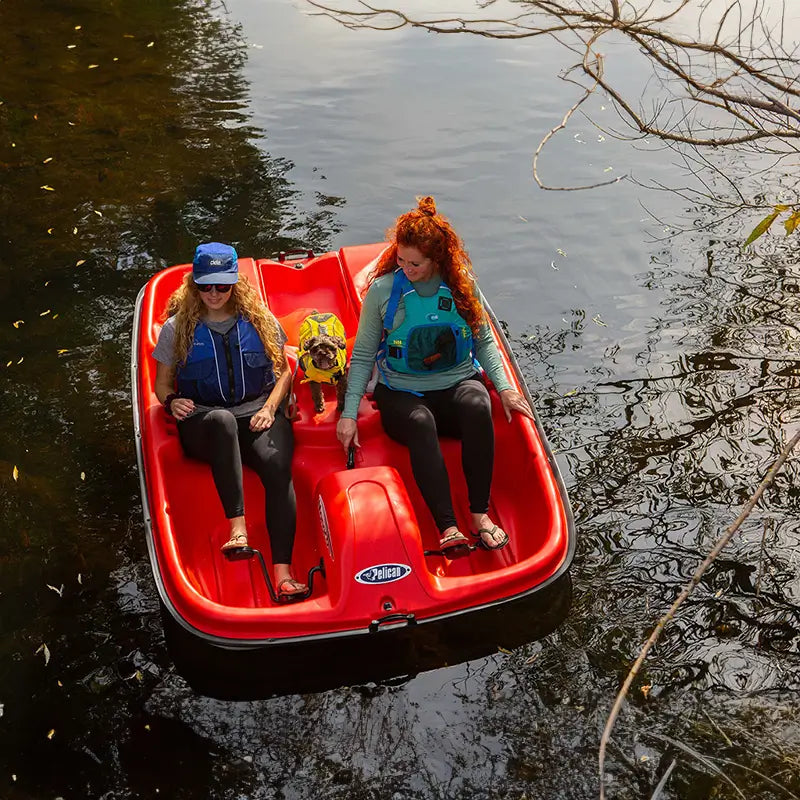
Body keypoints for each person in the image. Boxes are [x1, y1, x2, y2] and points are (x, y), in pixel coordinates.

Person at [336, 196, 534, 555]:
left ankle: (479, 515)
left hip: (455, 384)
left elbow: (484, 340)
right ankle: (448, 526)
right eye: (401, 260)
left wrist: (504, 388)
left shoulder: (460, 288)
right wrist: (349, 414)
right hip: (402, 394)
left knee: (477, 403)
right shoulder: (383, 292)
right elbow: (363, 355)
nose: (406, 268)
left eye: (415, 263)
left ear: (436, 259)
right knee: (420, 421)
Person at [152, 242, 307, 600]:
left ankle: (283, 573)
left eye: (223, 285)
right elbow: (162, 384)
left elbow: (285, 370)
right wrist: (172, 400)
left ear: (235, 284)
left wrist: (270, 408)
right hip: (205, 420)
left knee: (276, 466)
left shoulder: (260, 320)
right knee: (222, 421)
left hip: (257, 411)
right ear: (195, 284)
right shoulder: (177, 329)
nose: (214, 293)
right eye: (206, 285)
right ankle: (237, 530)